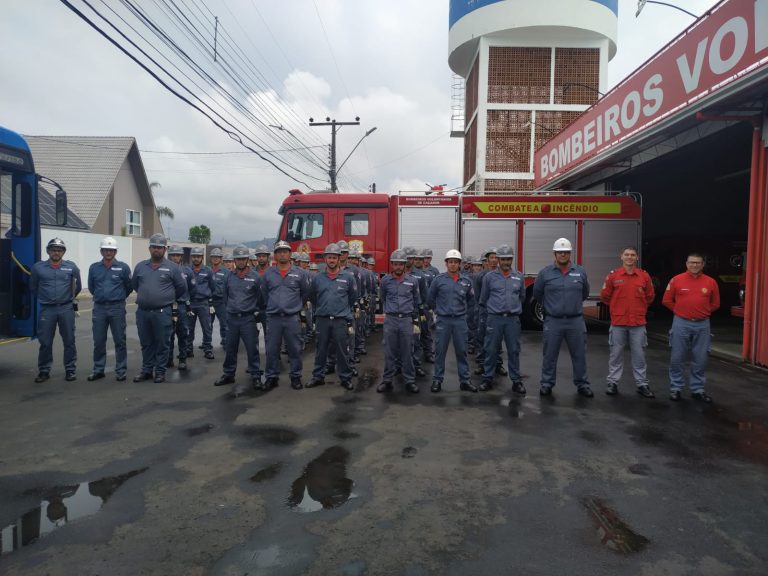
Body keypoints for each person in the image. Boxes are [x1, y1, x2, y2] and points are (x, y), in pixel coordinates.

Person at [533, 238, 592, 397]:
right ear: (555, 254)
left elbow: (584, 292)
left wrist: (572, 305)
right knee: (549, 355)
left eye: (566, 252)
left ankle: (582, 384)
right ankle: (547, 383)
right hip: (553, 321)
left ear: (570, 253)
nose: (563, 255)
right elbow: (537, 294)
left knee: (579, 354)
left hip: (575, 321)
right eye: (560, 252)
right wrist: (551, 307)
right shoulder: (545, 273)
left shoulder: (580, 272)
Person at [662, 252, 720, 403]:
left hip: (703, 324)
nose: (694, 265)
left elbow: (715, 304)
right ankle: (676, 388)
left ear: (702, 264)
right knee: (677, 357)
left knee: (700, 358)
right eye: (692, 262)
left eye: (698, 263)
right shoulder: (676, 280)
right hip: (681, 322)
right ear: (686, 264)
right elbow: (667, 300)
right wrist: (680, 311)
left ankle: (697, 390)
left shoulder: (711, 282)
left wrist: (703, 312)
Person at [599, 246, 656, 399]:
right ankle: (612, 383)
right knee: (615, 354)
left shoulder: (644, 276)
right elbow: (605, 296)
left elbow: (650, 297)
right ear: (621, 257)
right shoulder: (613, 276)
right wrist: (618, 308)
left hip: (638, 323)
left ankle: (642, 384)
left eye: (632, 255)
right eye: (627, 254)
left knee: (639, 355)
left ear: (637, 258)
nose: (629, 257)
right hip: (618, 322)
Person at [131, 234, 187, 383]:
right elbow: (135, 285)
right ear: (149, 248)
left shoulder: (172, 268)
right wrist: (148, 296)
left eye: (160, 247)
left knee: (162, 342)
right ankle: (147, 370)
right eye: (154, 247)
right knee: (146, 342)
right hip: (143, 312)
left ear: (165, 249)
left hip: (162, 312)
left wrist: (165, 297)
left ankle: (160, 371)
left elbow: (181, 288)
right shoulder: (140, 266)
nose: (157, 250)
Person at [214, 245, 264, 397]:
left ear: (248, 260)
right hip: (232, 319)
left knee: (252, 349)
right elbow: (225, 296)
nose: (241, 261)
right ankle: (228, 374)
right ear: (234, 260)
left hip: (248, 319)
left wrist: (255, 314)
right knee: (230, 348)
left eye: (243, 259)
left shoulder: (255, 277)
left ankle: (256, 376)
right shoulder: (229, 276)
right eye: (238, 259)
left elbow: (260, 298)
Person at [307, 243, 358, 390]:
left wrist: (341, 310)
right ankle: (318, 377)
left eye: (334, 257)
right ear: (325, 259)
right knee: (321, 349)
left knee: (343, 351)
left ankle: (345, 378)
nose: (332, 260)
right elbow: (313, 297)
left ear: (339, 259)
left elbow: (352, 298)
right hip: (323, 319)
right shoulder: (318, 278)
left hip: (340, 320)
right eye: (329, 257)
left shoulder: (348, 278)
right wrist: (322, 309)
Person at [30, 238, 82, 382]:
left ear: (63, 252)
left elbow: (77, 286)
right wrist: (45, 299)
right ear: (48, 251)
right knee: (45, 341)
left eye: (59, 250)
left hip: (66, 308)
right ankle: (44, 371)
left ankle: (70, 370)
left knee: (69, 340)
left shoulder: (71, 267)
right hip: (47, 309)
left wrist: (69, 298)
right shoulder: (38, 268)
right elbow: (33, 287)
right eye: (53, 249)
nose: (56, 252)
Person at [427, 249, 477, 393]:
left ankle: (465, 381)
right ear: (446, 263)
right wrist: (438, 311)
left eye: (456, 262)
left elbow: (471, 301)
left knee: (462, 351)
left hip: (460, 321)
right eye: (450, 262)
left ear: (460, 264)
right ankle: (437, 380)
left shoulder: (466, 281)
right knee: (440, 351)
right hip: (443, 321)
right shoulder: (438, 280)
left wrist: (464, 316)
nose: (453, 265)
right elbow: (430, 299)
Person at [261, 240, 310, 390]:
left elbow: (305, 293)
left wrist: (294, 307)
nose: (282, 254)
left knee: (295, 349)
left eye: (285, 251)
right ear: (275, 255)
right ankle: (271, 377)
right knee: (271, 349)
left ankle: (295, 377)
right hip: (274, 318)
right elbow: (264, 294)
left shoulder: (299, 273)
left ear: (290, 254)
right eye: (279, 251)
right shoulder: (269, 273)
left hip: (292, 318)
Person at [479, 244, 526, 394]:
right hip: (495, 318)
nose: (506, 262)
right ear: (498, 260)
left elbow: (522, 297)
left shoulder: (518, 277)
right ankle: (488, 378)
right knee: (491, 349)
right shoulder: (489, 277)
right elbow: (483, 298)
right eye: (503, 259)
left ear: (512, 259)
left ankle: (516, 381)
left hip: (512, 320)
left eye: (508, 259)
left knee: (513, 350)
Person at [87, 236, 132, 381]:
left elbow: (129, 287)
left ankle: (121, 370)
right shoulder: (94, 268)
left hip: (117, 308)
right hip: (99, 308)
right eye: (106, 250)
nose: (108, 253)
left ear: (115, 252)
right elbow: (92, 287)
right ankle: (99, 369)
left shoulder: (123, 267)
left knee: (120, 340)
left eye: (111, 250)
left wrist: (118, 297)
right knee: (99, 340)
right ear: (101, 251)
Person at [378, 249, 421, 394]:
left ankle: (410, 380)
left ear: (404, 265)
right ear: (392, 265)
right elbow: (382, 297)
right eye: (395, 264)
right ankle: (387, 380)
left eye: (400, 264)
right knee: (389, 351)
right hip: (391, 319)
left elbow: (416, 300)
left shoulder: (412, 281)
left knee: (408, 351)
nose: (398, 267)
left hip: (406, 320)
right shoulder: (385, 281)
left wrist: (414, 319)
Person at [167, 245, 193, 370]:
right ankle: (168, 359)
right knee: (168, 334)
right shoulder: (164, 269)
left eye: (177, 255)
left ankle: (182, 359)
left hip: (182, 305)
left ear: (181, 257)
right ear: (169, 256)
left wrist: (188, 303)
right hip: (168, 305)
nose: (175, 257)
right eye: (173, 255)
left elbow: (192, 288)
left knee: (182, 333)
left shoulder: (187, 271)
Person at [188, 247, 216, 360]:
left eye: (198, 257)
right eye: (194, 256)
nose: (196, 259)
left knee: (207, 328)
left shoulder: (208, 271)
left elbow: (213, 287)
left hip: (203, 303)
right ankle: (188, 349)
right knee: (189, 328)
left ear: (202, 258)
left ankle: (208, 349)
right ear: (191, 258)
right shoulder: (187, 270)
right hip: (190, 304)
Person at [209, 247, 229, 348]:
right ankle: (206, 344)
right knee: (208, 324)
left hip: (221, 302)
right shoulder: (207, 270)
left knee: (224, 324)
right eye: (213, 257)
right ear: (210, 258)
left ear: (221, 259)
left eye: (218, 257)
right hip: (209, 302)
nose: (216, 259)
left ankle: (225, 341)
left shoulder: (226, 272)